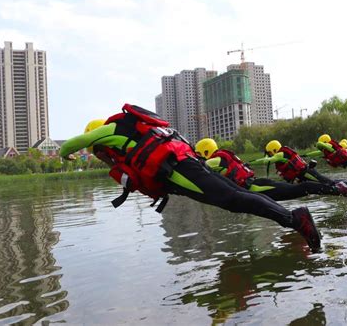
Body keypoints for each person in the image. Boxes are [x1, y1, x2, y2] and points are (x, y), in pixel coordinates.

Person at [60, 104, 321, 252]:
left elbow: (73, 143)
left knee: (233, 199)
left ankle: (295, 220)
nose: (104, 159)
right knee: (239, 196)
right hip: (185, 165)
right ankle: (296, 219)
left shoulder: (112, 129)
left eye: (99, 153)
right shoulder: (130, 133)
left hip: (179, 170)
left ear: (99, 138)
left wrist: (65, 154)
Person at [194, 138, 347, 201]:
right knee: (305, 188)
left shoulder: (215, 159)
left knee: (305, 188)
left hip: (257, 187)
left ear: (206, 152)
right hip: (259, 185)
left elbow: (200, 166)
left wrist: (258, 160)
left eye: (201, 154)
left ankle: (340, 189)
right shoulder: (222, 158)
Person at [254, 140, 347, 192]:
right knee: (330, 182)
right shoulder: (283, 155)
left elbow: (267, 161)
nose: (268, 156)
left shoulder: (280, 153)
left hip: (307, 172)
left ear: (273, 150)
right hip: (306, 173)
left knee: (330, 183)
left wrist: (250, 163)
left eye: (269, 153)